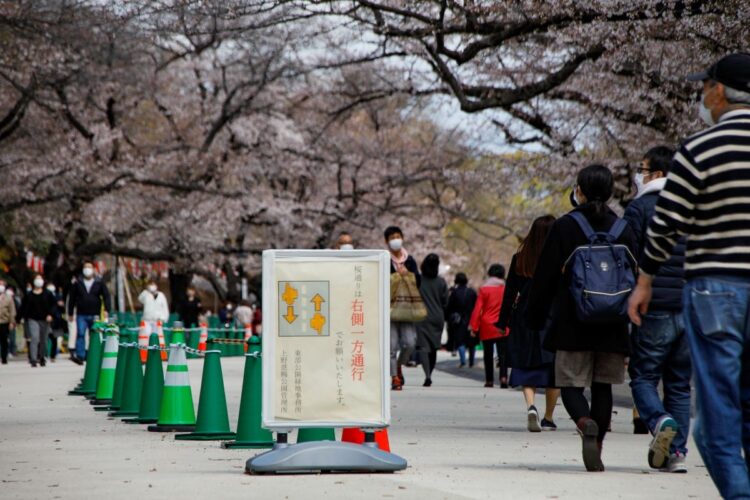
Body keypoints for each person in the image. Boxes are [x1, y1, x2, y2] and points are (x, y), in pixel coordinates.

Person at [628, 53, 750, 498]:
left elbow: (665, 226)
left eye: (705, 88)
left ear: (719, 91)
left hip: (715, 288)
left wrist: (644, 281)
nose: (702, 96)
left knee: (716, 413)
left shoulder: (699, 149)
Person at [526, 164, 637, 472]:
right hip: (613, 322)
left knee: (571, 385)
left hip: (573, 321)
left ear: (580, 191)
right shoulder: (622, 228)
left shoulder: (566, 226)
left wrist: (534, 317)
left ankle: (583, 421)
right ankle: (597, 443)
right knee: (603, 386)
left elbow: (545, 276)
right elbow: (636, 274)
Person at [624, 145, 691, 473]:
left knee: (643, 375)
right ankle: (676, 453)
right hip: (690, 304)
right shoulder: (693, 207)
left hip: (654, 305)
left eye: (644, 168)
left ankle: (660, 420)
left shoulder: (640, 209)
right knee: (679, 383)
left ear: (659, 173)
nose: (640, 174)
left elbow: (629, 256)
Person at [497, 215, 560, 432]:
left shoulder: (520, 258)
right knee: (553, 369)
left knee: (526, 363)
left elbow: (509, 294)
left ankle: (531, 405)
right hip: (552, 317)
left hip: (525, 316)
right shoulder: (560, 258)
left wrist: (501, 322)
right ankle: (548, 417)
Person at [385, 225, 420, 391]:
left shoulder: (410, 260)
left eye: (397, 236)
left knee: (410, 343)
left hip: (407, 309)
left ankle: (399, 365)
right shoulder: (384, 260)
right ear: (387, 241)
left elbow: (418, 283)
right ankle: (394, 377)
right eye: (392, 238)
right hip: (390, 309)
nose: (395, 240)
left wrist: (408, 275)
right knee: (391, 346)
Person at [469, 264, 508, 388]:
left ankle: (489, 380)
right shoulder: (507, 288)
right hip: (503, 324)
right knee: (503, 353)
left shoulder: (484, 289)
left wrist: (474, 327)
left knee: (488, 354)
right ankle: (503, 377)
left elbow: (477, 309)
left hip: (487, 325)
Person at [67, 261, 111, 364]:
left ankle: (93, 354)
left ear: (93, 269)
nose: (87, 269)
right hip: (81, 314)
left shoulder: (99, 282)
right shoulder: (77, 283)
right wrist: (70, 313)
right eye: (85, 267)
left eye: (89, 267)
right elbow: (72, 298)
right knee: (81, 334)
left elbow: (106, 296)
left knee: (95, 335)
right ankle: (80, 356)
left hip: (95, 314)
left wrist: (107, 310)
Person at [415, 254, 448, 387]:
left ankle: (427, 375)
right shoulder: (441, 282)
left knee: (423, 347)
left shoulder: (419, 280)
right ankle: (430, 373)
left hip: (421, 317)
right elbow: (446, 301)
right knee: (434, 347)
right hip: (437, 317)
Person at [18, 274, 55, 367]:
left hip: (45, 320)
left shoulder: (48, 294)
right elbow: (23, 307)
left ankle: (42, 357)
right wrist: (18, 318)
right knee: (35, 338)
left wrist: (51, 315)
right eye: (36, 279)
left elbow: (53, 306)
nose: (38, 280)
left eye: (40, 278)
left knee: (44, 340)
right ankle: (33, 359)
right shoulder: (29, 295)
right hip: (32, 319)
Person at [446, 273, 478, 368]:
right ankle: (471, 362)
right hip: (471, 319)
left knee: (460, 341)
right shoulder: (471, 292)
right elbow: (476, 305)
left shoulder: (455, 292)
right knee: (471, 342)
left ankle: (463, 360)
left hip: (458, 320)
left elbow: (449, 307)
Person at [47, 283, 66, 363]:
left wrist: (61, 305)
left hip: (56, 321)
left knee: (54, 339)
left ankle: (53, 355)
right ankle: (42, 354)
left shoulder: (58, 296)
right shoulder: (45, 295)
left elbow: (63, 309)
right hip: (46, 319)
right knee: (44, 338)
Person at [0, 279, 16, 365]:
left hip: (4, 321)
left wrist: (11, 322)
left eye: (2, 284)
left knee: (4, 341)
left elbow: (12, 310)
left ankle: (4, 358)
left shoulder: (8, 298)